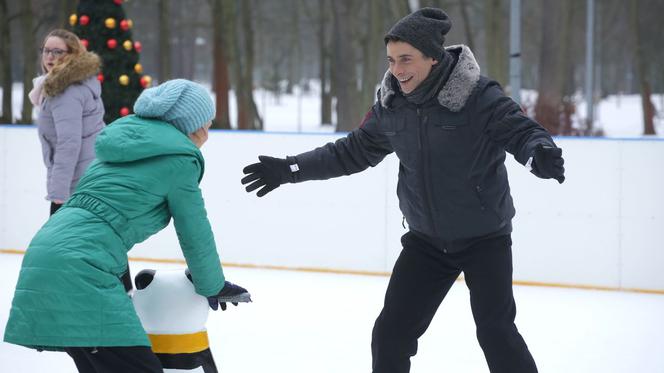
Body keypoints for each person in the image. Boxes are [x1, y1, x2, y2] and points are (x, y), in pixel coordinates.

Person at [241, 8, 564, 373]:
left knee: (496, 332)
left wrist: (538, 152)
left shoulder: (478, 97)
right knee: (390, 334)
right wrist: (290, 168)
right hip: (426, 242)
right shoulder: (391, 106)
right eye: (392, 60)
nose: (397, 69)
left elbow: (519, 129)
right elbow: (352, 152)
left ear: (433, 57)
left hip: (484, 238)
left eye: (406, 59)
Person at [5, 79, 251, 373]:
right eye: (207, 126)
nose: (207, 136)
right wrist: (213, 285)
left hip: (45, 253)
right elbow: (194, 231)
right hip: (81, 268)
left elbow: (96, 218)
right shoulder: (180, 162)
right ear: (191, 126)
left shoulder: (114, 151)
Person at [30, 29, 105, 216]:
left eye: (57, 52)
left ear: (73, 54)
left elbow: (68, 143)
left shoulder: (65, 91)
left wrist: (59, 193)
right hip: (87, 176)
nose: (49, 56)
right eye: (46, 50)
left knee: (60, 243)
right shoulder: (77, 82)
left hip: (74, 184)